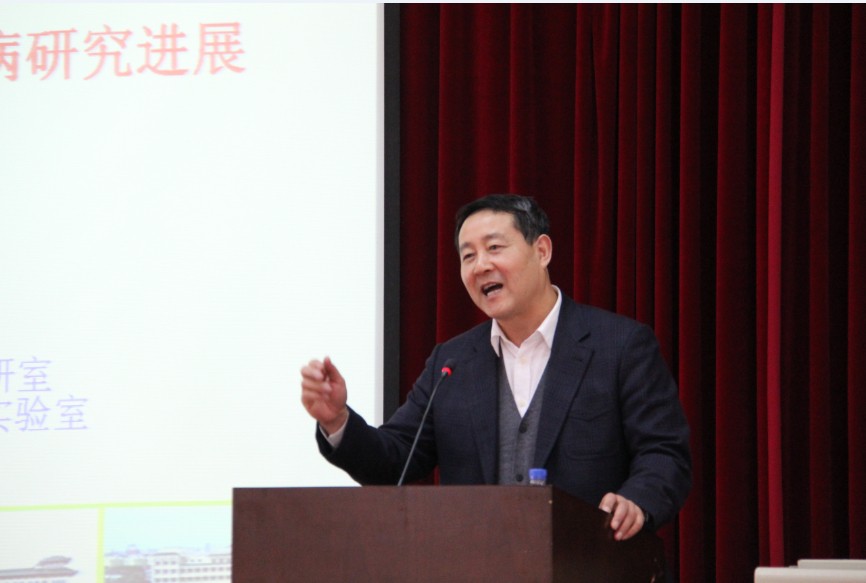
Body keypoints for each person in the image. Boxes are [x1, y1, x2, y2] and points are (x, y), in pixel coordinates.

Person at [301, 194, 691, 541]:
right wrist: (337, 421)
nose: (481, 265)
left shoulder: (620, 345)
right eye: (468, 256)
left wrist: (636, 501)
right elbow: (394, 459)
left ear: (542, 251)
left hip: (594, 562)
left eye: (494, 248)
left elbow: (664, 453)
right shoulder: (452, 362)